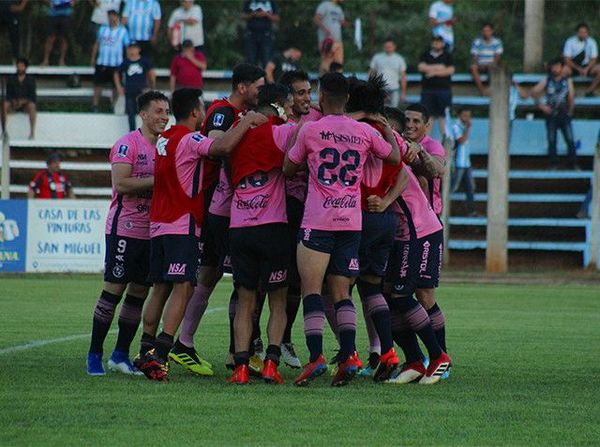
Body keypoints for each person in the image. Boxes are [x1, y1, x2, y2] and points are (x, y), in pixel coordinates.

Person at [135, 89, 267, 381]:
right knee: (184, 287)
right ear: (196, 112)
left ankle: (146, 348)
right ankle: (161, 352)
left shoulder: (164, 139)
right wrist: (246, 123)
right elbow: (220, 148)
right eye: (203, 110)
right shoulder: (190, 139)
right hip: (181, 222)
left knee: (160, 287)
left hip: (158, 223)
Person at [283, 72, 401, 387]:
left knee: (312, 290)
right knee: (341, 292)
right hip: (351, 221)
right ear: (347, 98)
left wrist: (297, 134)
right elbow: (394, 157)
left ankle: (316, 357)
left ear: (321, 98)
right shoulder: (363, 131)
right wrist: (387, 129)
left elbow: (288, 167)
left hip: (317, 221)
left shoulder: (311, 129)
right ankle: (349, 354)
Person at [167, 64, 266, 376]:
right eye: (258, 87)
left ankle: (184, 342)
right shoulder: (223, 112)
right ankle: (241, 350)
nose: (260, 93)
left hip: (219, 204)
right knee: (245, 278)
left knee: (208, 275)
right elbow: (217, 144)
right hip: (219, 203)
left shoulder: (235, 113)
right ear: (241, 87)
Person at [86, 90, 169, 376]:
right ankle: (94, 354)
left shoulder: (165, 148)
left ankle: (120, 355)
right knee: (113, 291)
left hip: (153, 232)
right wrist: (158, 181)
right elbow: (121, 184)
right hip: (125, 229)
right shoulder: (127, 145)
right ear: (144, 114)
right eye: (158, 111)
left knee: (138, 294)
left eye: (167, 111)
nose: (164, 117)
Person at [378, 107, 452, 385]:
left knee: (417, 296)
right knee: (389, 296)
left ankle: (439, 357)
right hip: (401, 233)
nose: (411, 125)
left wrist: (417, 151)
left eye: (415, 121)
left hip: (421, 230)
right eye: (406, 121)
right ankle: (414, 361)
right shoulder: (387, 148)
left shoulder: (410, 148)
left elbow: (435, 170)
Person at [227, 84, 296, 385]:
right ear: (279, 106)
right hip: (273, 227)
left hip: (240, 227)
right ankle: (271, 363)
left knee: (245, 301)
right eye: (290, 105)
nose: (292, 110)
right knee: (277, 302)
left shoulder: (237, 133)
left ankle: (241, 367)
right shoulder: (281, 131)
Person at [344, 75, 406, 382]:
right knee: (370, 287)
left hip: (359, 216)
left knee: (339, 287)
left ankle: (349, 355)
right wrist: (387, 200)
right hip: (384, 218)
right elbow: (403, 171)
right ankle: (387, 351)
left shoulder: (355, 132)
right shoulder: (387, 132)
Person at [531, 57, 577, 169]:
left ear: (562, 67)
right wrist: (541, 106)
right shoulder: (547, 80)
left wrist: (570, 110)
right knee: (552, 140)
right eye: (554, 66)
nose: (556, 69)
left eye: (558, 66)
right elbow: (534, 91)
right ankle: (554, 163)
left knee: (570, 139)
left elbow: (571, 96)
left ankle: (573, 163)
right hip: (551, 115)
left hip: (564, 113)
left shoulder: (567, 81)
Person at [91, 9, 130, 113]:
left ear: (117, 17)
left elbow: (127, 47)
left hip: (116, 63)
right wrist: (93, 58)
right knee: (98, 84)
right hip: (102, 62)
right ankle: (95, 105)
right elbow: (97, 44)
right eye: (109, 16)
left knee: (115, 86)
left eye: (113, 16)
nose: (111, 18)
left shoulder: (123, 31)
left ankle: (112, 106)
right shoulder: (102, 29)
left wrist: (127, 61)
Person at [418, 35, 455, 137]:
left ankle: (445, 140)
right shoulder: (425, 54)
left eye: (438, 42)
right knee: (427, 116)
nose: (436, 44)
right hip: (427, 90)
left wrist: (432, 73)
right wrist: (439, 67)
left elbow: (450, 70)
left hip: (444, 90)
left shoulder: (448, 55)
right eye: (434, 42)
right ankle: (426, 142)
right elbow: (421, 67)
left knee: (443, 116)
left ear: (442, 44)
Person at [114, 41, 155, 131]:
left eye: (134, 48)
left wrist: (151, 87)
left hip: (142, 90)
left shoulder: (144, 61)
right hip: (129, 90)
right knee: (131, 113)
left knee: (145, 112)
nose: (132, 50)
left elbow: (151, 73)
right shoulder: (125, 62)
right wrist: (119, 87)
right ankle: (132, 133)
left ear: (139, 49)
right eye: (131, 48)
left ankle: (146, 132)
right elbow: (116, 73)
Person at [450, 107, 477, 216]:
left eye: (468, 116)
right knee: (453, 187)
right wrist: (467, 129)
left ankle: (472, 211)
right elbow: (461, 141)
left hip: (466, 163)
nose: (467, 118)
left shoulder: (463, 126)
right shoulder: (456, 126)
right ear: (460, 115)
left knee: (470, 187)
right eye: (465, 115)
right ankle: (439, 208)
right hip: (458, 163)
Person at [2, 57, 36, 140]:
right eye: (18, 66)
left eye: (22, 66)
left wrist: (23, 101)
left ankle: (32, 132)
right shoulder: (11, 78)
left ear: (25, 67)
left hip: (25, 105)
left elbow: (32, 96)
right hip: (13, 104)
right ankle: (4, 131)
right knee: (4, 105)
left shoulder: (31, 80)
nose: (20, 68)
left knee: (32, 106)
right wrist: (14, 101)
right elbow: (8, 94)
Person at [562, 23, 600, 97]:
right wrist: (578, 68)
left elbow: (594, 59)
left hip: (588, 66)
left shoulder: (592, 42)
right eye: (580, 32)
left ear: (587, 33)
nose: (582, 34)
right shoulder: (570, 41)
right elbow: (567, 59)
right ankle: (569, 92)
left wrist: (587, 68)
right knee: (563, 70)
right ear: (577, 33)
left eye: (585, 32)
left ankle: (590, 91)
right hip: (573, 66)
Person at [369, 38, 407, 107]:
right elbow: (371, 73)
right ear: (383, 47)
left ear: (394, 47)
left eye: (390, 47)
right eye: (386, 47)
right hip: (380, 89)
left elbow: (403, 77)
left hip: (394, 89)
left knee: (394, 111)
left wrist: (403, 93)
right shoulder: (377, 58)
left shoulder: (399, 59)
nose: (388, 48)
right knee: (379, 109)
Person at [242, 0, 279, 68]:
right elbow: (243, 16)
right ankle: (251, 78)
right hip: (251, 35)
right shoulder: (249, 1)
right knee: (250, 60)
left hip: (266, 36)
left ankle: (266, 78)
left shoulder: (271, 2)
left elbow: (277, 18)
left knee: (266, 60)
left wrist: (266, 14)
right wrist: (253, 14)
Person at [314, 0, 347, 75]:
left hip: (338, 41)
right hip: (327, 41)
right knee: (326, 64)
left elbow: (342, 22)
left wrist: (354, 24)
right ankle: (322, 84)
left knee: (338, 65)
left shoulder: (339, 8)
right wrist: (325, 30)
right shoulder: (325, 5)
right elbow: (316, 19)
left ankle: (338, 84)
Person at [470, 23, 503, 96]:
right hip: (480, 64)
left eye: (488, 31)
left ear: (491, 31)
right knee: (473, 68)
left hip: (491, 64)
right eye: (484, 31)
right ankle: (482, 90)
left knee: (493, 66)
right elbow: (475, 56)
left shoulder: (497, 42)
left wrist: (492, 63)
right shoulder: (477, 42)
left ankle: (492, 89)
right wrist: (478, 64)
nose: (486, 33)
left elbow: (498, 56)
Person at [41, 0, 75, 66]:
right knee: (50, 38)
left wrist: (74, 2)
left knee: (64, 38)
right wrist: (49, 2)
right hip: (53, 14)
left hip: (66, 14)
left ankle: (62, 61)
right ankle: (46, 60)